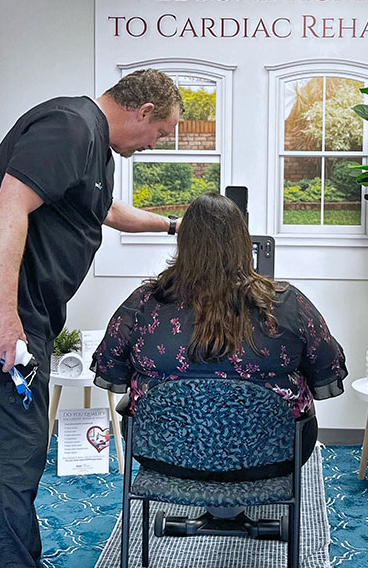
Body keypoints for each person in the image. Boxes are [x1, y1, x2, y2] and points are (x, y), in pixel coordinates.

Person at [0, 68, 183, 568]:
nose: (156, 144)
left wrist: (174, 226)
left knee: (18, 450)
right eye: (161, 132)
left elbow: (105, 212)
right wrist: (1, 313)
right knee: (10, 456)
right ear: (145, 108)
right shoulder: (70, 126)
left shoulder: (94, 145)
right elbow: (8, 206)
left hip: (27, 317)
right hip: (0, 320)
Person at [92, 192, 347, 475]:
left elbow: (111, 368)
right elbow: (326, 366)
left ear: (184, 244)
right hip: (272, 456)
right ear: (242, 243)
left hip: (164, 455)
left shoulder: (143, 303)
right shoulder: (285, 303)